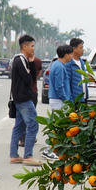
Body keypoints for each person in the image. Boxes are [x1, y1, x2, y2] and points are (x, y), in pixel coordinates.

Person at [9, 34, 41, 164]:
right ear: (24, 46)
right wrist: (31, 64)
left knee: (19, 126)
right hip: (23, 99)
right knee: (33, 125)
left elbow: (31, 78)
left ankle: (14, 155)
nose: (33, 49)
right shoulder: (20, 59)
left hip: (19, 98)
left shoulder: (23, 60)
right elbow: (29, 80)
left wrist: (32, 62)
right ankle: (28, 156)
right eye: (32, 46)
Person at [46, 44, 72, 112]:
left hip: (57, 99)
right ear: (66, 55)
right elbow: (59, 86)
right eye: (71, 54)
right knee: (60, 121)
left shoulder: (56, 64)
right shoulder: (59, 66)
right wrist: (65, 99)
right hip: (58, 100)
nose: (71, 57)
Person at [68, 37, 88, 102]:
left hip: (83, 99)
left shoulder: (82, 63)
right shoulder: (69, 64)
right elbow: (67, 83)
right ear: (74, 49)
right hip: (74, 100)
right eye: (81, 48)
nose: (83, 50)